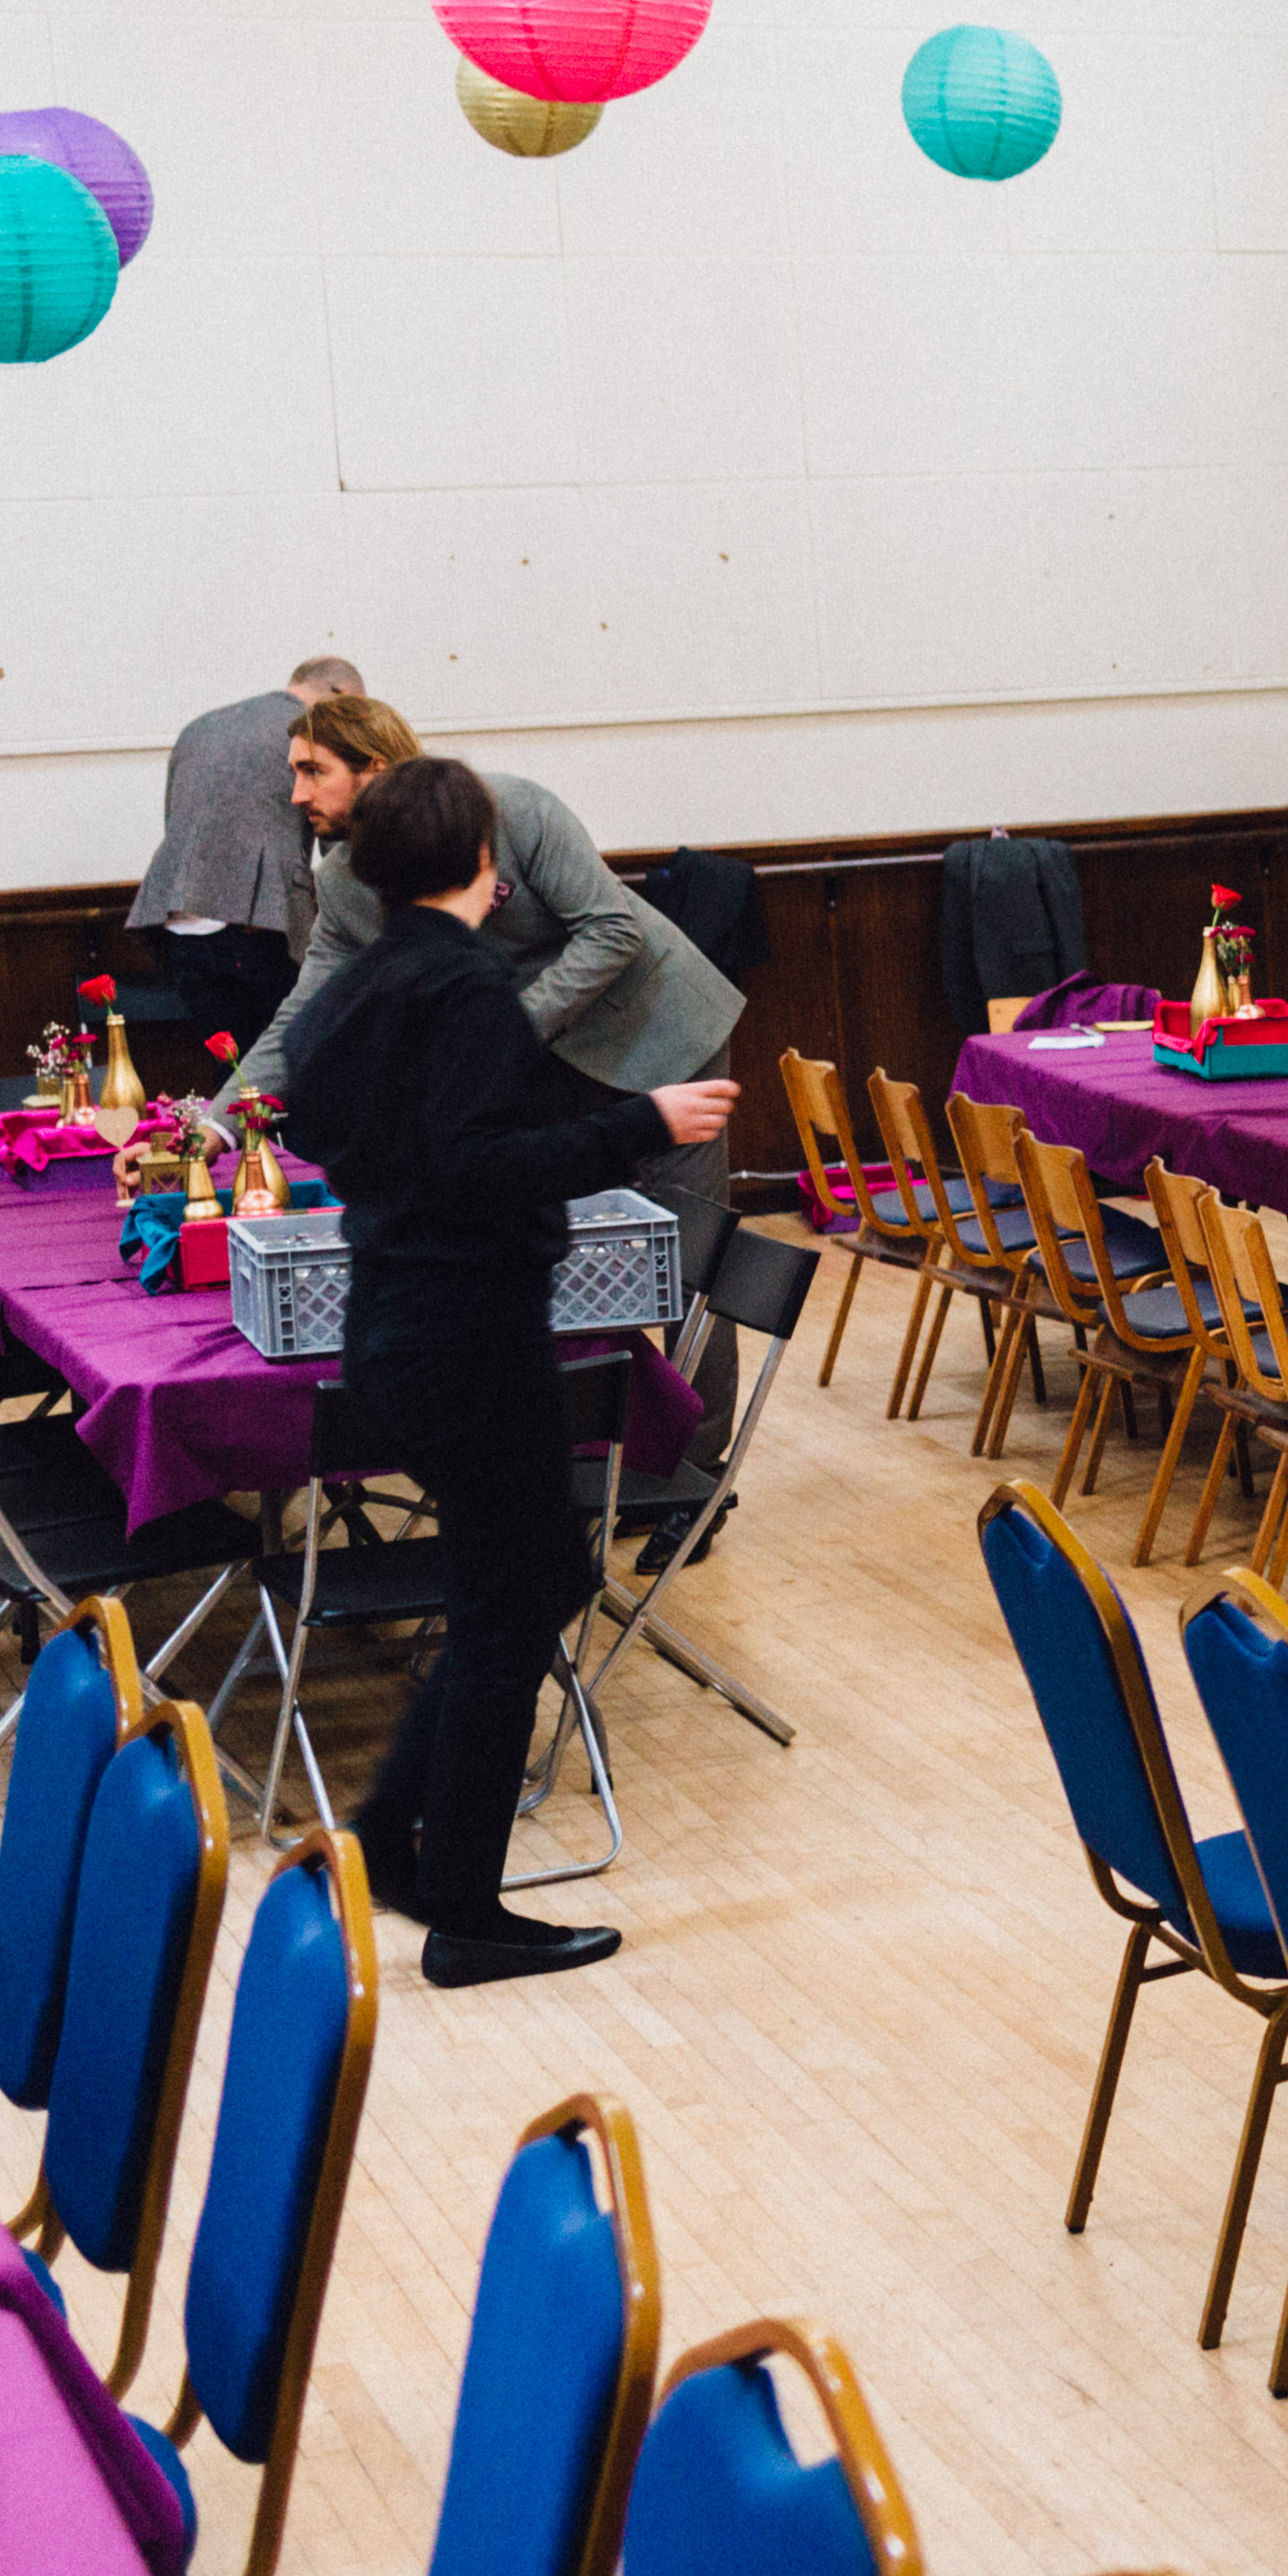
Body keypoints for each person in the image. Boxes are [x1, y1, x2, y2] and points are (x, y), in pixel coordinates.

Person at [280, 756, 735, 1987]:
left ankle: (392, 1839)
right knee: (511, 1607)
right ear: (487, 864)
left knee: (537, 1579)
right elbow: (482, 1169)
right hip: (472, 1334)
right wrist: (643, 1123)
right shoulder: (469, 989)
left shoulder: (360, 990)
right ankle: (466, 1911)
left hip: (396, 1322)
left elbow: (326, 1122)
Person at [224, 695, 749, 1417]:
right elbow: (302, 1009)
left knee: (687, 1256)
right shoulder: (342, 880)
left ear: (372, 767)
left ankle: (696, 1462)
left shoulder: (514, 809)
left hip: (663, 1036)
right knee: (556, 1251)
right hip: (543, 1059)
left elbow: (611, 929)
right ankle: (597, 1438)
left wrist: (497, 1035)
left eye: (313, 771)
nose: (296, 795)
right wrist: (218, 1122)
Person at [144, 655, 358, 1049]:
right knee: (294, 1057)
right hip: (261, 922)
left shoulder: (201, 727)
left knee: (231, 1068)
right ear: (338, 693)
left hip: (180, 922)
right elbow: (340, 836)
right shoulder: (313, 731)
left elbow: (174, 820)